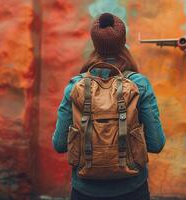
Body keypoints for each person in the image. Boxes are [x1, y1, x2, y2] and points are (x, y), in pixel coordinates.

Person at [52, 13, 166, 200]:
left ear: (94, 43)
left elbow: (59, 144)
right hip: (132, 189)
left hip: (85, 190)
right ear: (123, 41)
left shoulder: (75, 86)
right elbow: (156, 143)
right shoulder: (139, 84)